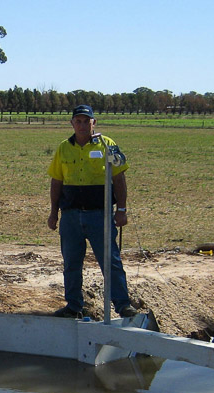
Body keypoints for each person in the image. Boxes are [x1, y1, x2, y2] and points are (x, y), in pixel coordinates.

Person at [46, 104, 137, 318]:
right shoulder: (63, 148)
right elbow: (56, 182)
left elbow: (119, 178)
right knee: (71, 263)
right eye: (78, 121)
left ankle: (123, 305)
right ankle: (73, 306)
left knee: (110, 261)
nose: (82, 125)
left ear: (93, 123)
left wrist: (121, 210)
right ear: (72, 123)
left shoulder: (108, 145)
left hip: (100, 215)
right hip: (70, 216)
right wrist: (53, 212)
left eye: (87, 121)